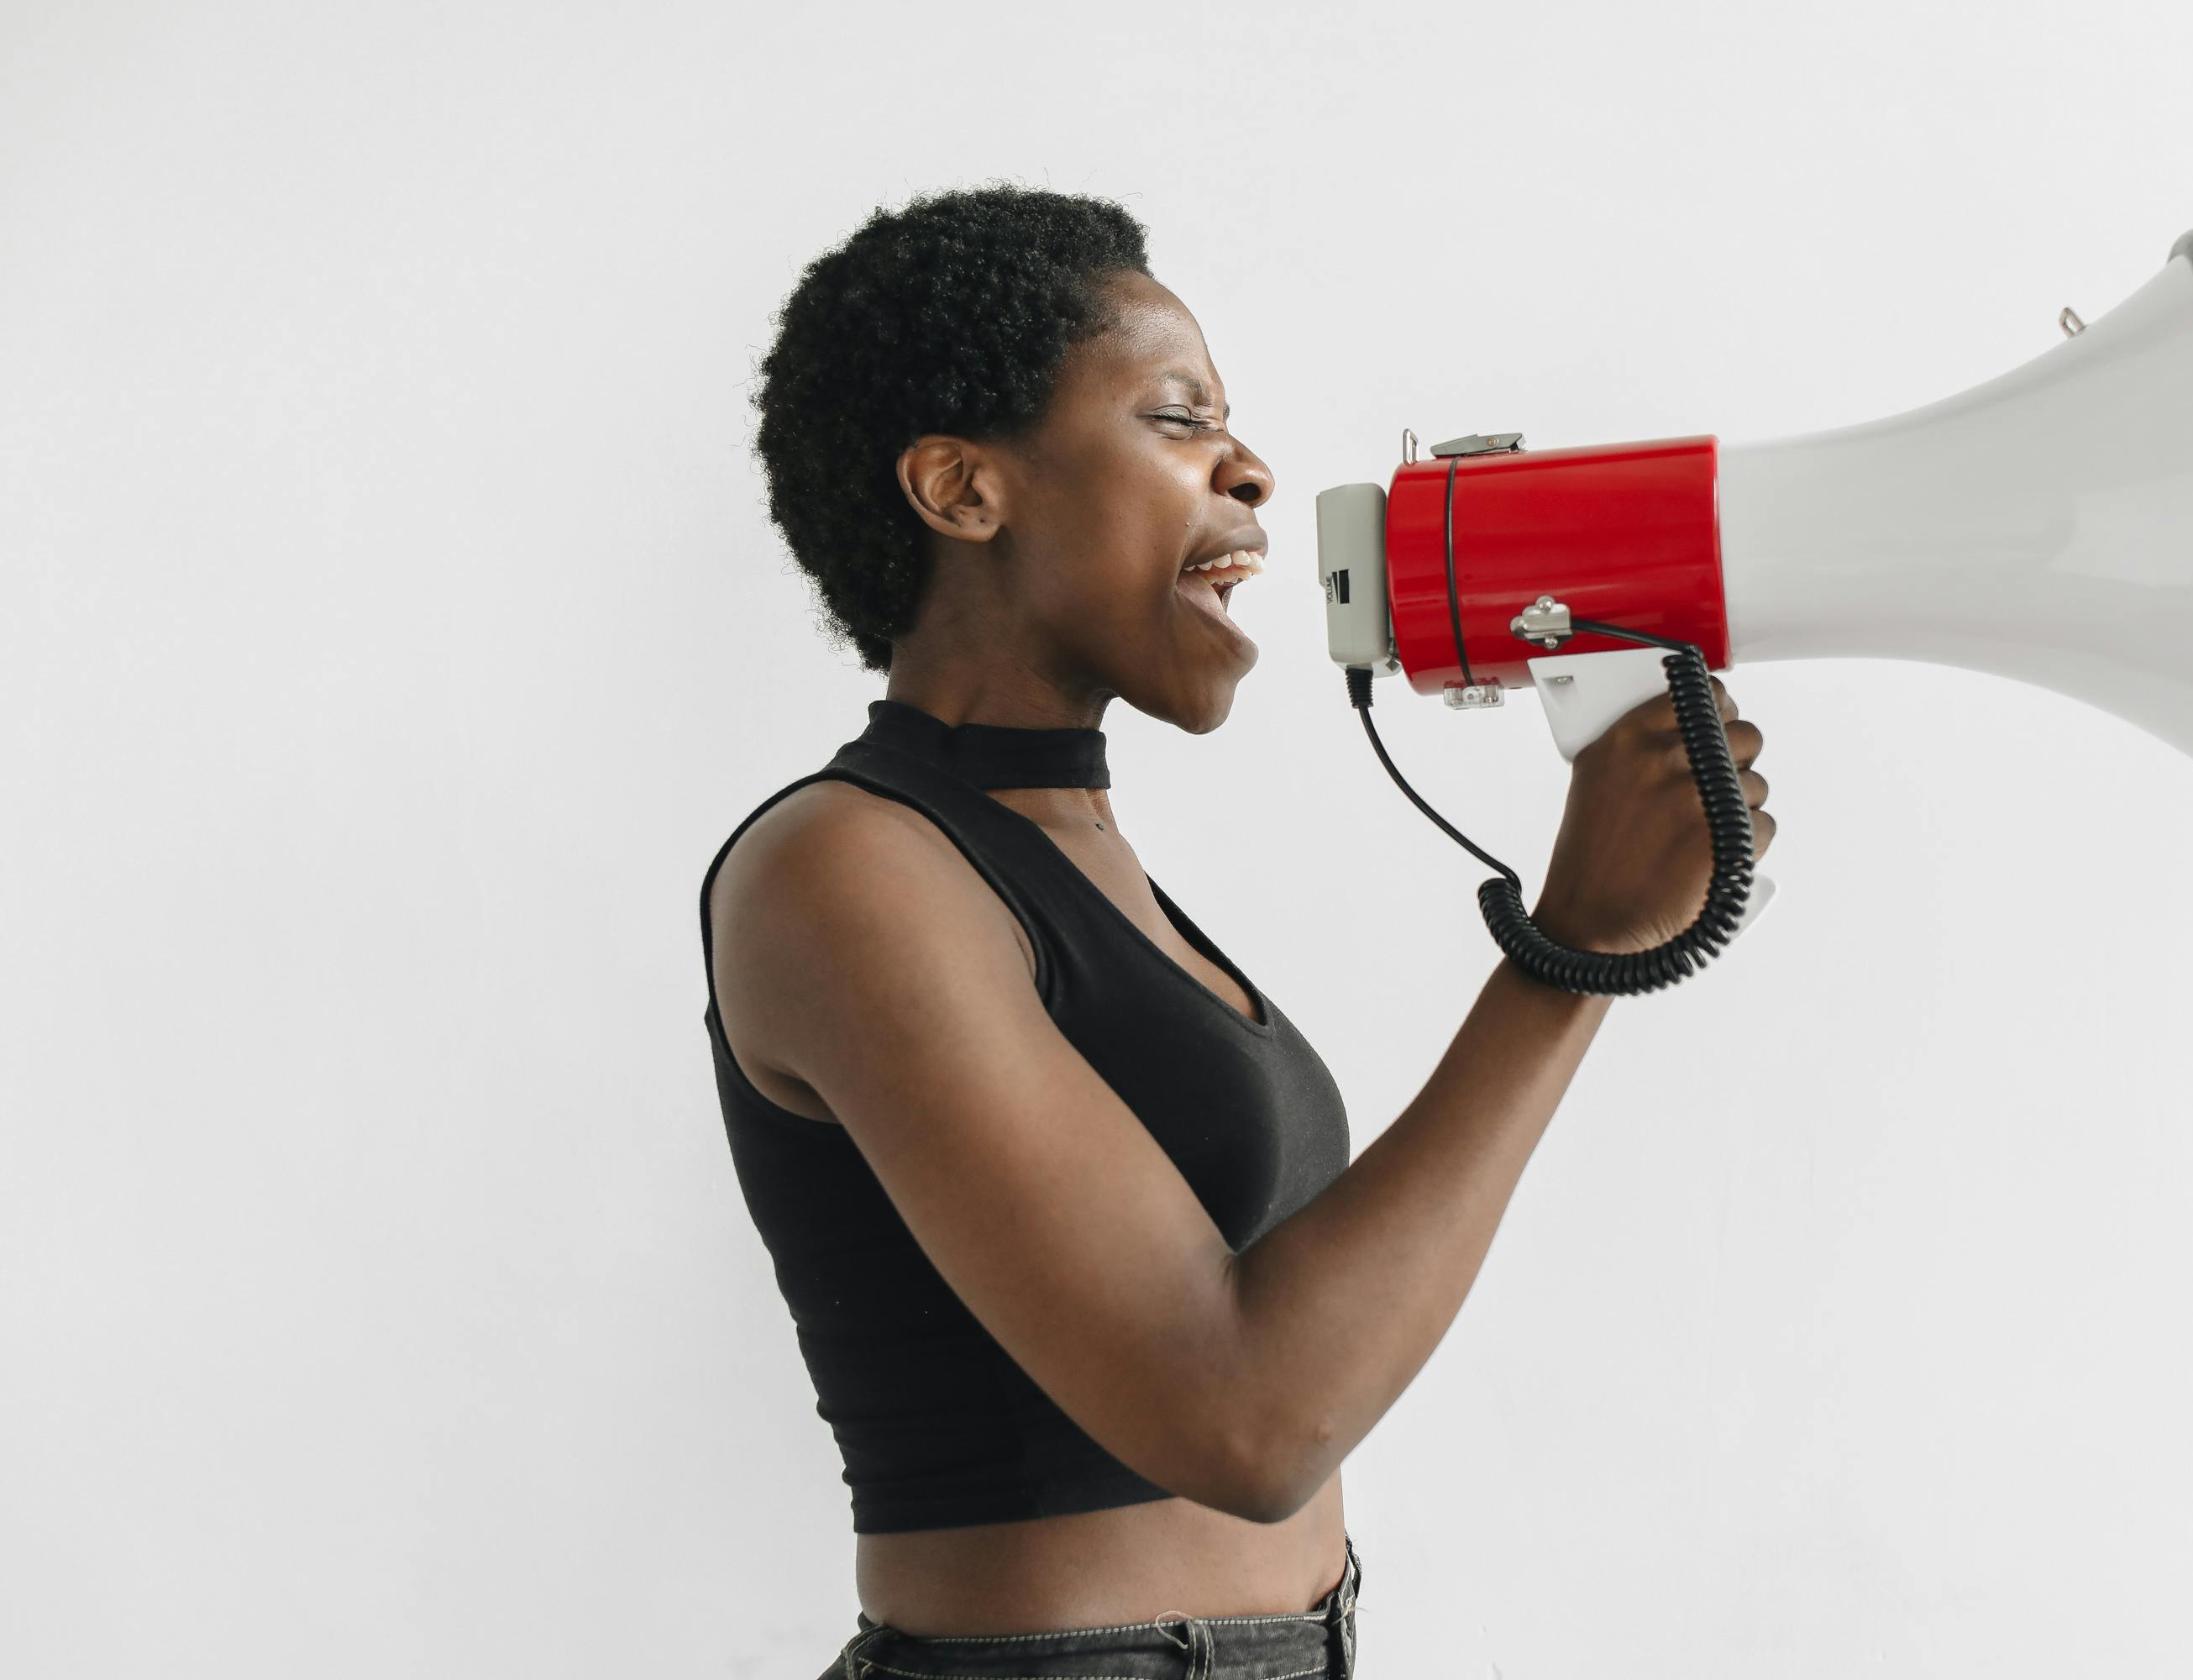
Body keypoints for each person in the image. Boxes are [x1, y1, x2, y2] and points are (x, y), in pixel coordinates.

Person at [698, 184, 1775, 1680]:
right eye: (1177, 417)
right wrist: (1570, 950)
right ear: (962, 489)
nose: (1253, 471)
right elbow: (1247, 1420)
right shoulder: (846, 871)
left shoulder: (1075, 858)